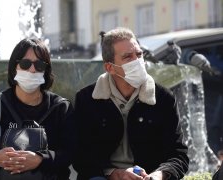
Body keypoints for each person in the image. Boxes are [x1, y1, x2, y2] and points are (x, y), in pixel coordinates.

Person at [73, 27, 189, 180]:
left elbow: (178, 154)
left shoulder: (163, 98)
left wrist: (159, 175)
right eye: (128, 57)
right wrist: (114, 174)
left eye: (139, 54)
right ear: (110, 67)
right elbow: (80, 156)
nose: (138, 61)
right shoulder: (87, 99)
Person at [0, 38, 75, 179]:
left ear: (46, 70)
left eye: (39, 65)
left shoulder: (60, 107)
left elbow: (72, 151)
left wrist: (40, 159)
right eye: (25, 64)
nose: (32, 70)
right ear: (14, 67)